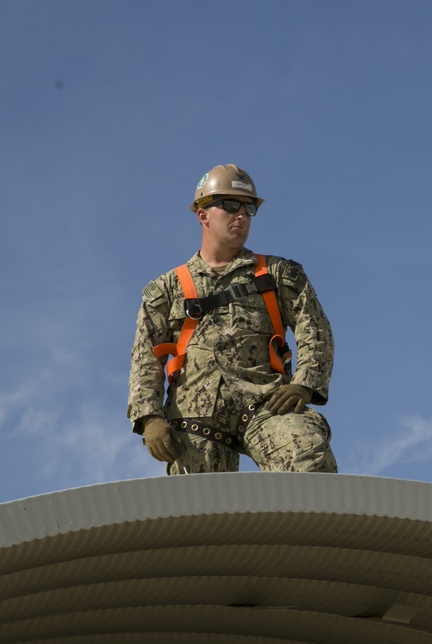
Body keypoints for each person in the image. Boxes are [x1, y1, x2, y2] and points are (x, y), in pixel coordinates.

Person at [127, 164, 337, 473]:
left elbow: (314, 329)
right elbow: (146, 357)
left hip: (267, 402)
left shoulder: (278, 274)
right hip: (195, 416)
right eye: (229, 205)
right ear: (203, 214)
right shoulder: (166, 290)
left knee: (308, 459)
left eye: (249, 208)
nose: (241, 214)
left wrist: (305, 384)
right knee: (197, 510)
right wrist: (149, 418)